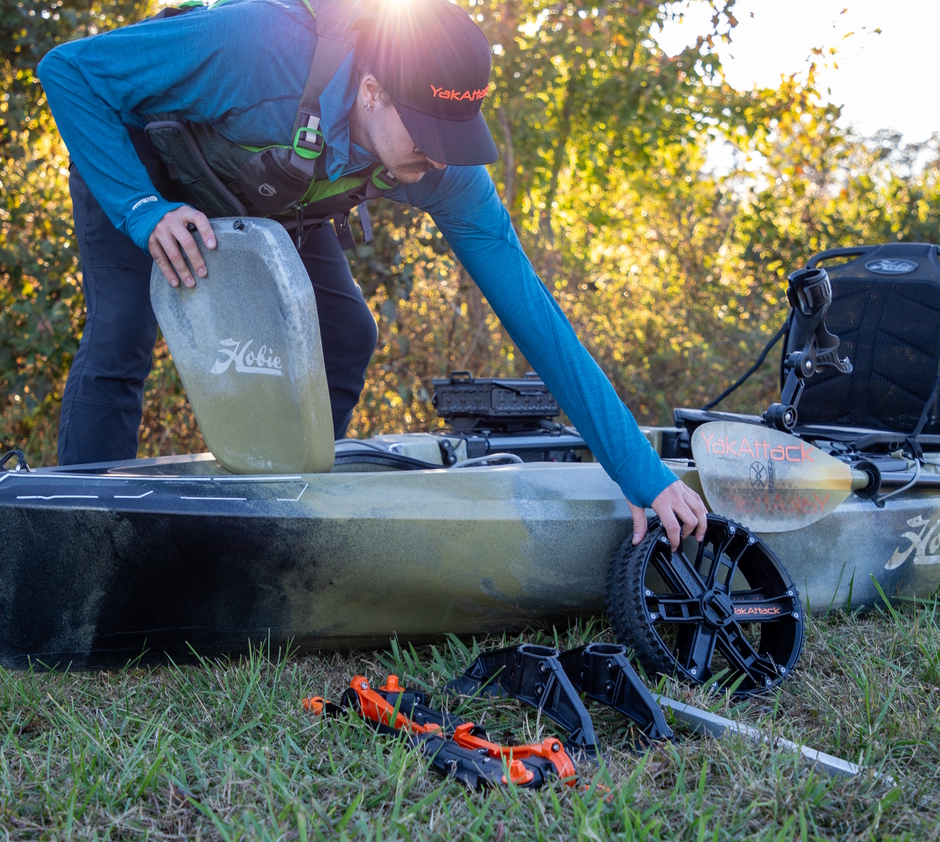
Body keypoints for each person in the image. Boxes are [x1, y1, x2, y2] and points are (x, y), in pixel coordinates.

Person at [37, 0, 706, 549]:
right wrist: (142, 208)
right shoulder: (261, 45)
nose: (438, 160)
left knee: (347, 332)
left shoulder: (442, 171)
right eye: (425, 138)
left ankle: (275, 523)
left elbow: (532, 312)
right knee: (122, 329)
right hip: (139, 158)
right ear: (372, 90)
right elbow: (68, 72)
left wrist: (638, 471)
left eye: (452, 139)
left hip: (264, 184)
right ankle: (72, 544)